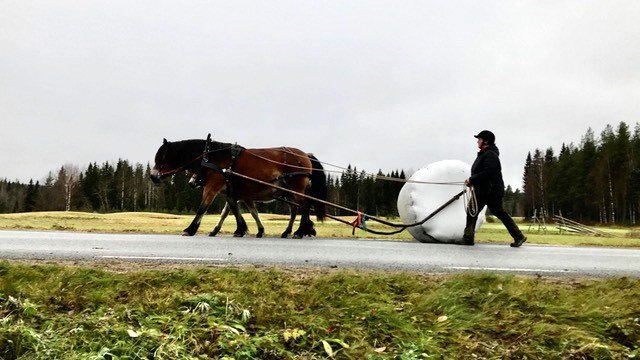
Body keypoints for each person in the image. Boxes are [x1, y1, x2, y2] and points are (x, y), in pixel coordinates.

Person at [462, 130, 527, 247]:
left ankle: (468, 238)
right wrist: (473, 181)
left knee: (484, 212)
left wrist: (472, 179)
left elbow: (488, 172)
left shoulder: (490, 155)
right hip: (483, 190)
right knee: (473, 211)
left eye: (480, 139)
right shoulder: (485, 154)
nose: (477, 141)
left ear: (486, 141)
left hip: (489, 191)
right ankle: (468, 238)